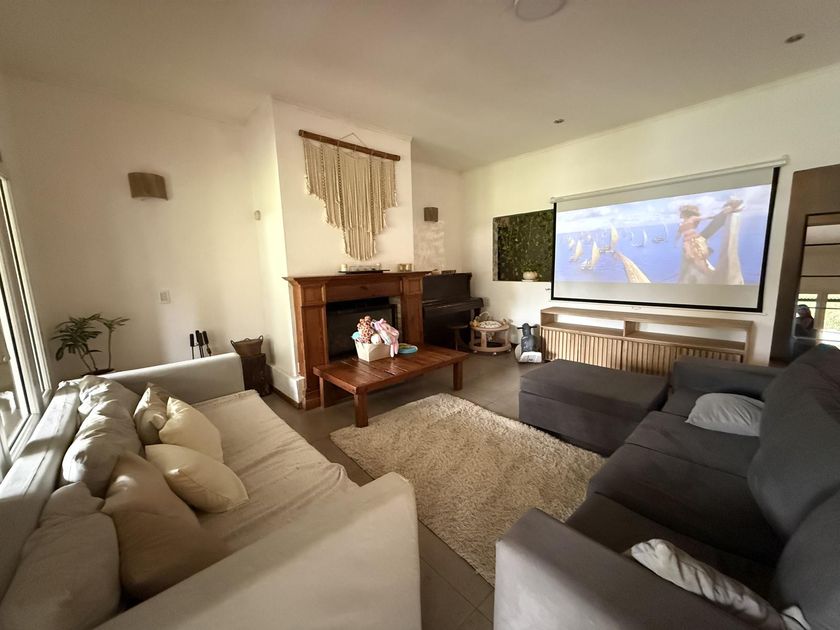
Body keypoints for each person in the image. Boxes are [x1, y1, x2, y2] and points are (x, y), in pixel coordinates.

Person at [676, 199, 743, 284]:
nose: (680, 216)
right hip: (688, 242)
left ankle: (709, 275)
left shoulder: (692, 219)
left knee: (698, 259)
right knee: (693, 258)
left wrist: (720, 214)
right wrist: (677, 241)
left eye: (681, 214)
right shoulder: (682, 224)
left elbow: (707, 218)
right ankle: (707, 273)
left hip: (693, 241)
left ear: (685, 213)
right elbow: (679, 233)